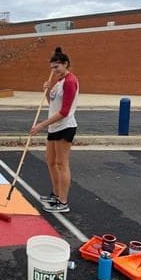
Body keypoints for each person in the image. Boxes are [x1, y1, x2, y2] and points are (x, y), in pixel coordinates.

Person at [30, 46, 79, 213]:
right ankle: (56, 194)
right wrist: (46, 91)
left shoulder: (70, 81)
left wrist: (41, 125)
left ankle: (63, 202)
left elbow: (64, 112)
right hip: (54, 127)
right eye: (52, 67)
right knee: (50, 161)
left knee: (61, 163)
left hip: (65, 127)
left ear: (65, 64)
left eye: (56, 67)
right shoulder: (58, 82)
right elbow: (53, 105)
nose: (54, 70)